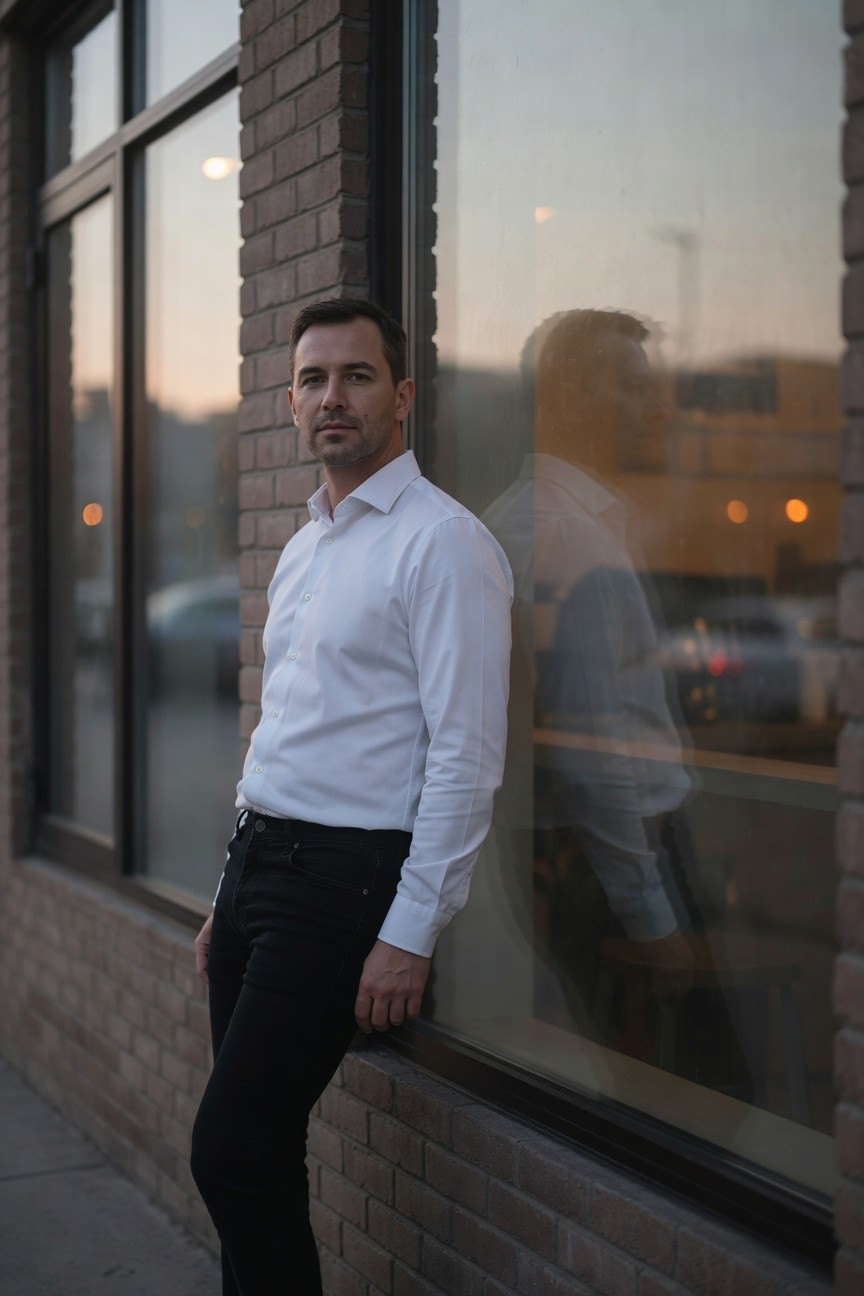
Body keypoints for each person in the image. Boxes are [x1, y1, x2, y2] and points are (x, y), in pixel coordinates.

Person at [189, 297, 513, 1295]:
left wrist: (412, 930)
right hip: (260, 873)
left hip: (343, 883)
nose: (334, 398)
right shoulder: (307, 546)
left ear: (402, 397)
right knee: (258, 1154)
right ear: (291, 403)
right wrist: (222, 895)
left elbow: (465, 756)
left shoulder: (442, 543)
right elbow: (283, 726)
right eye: (315, 380)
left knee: (231, 1151)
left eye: (358, 376)